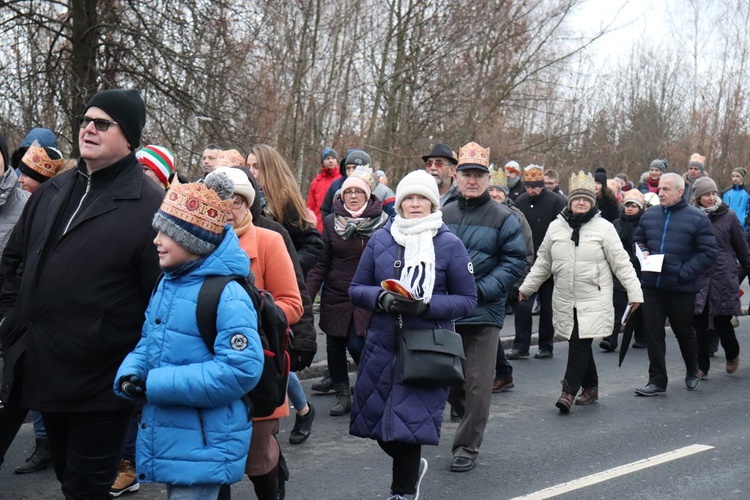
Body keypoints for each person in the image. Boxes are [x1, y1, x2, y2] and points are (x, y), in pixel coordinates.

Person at [0, 89, 165, 498]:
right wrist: (11, 322)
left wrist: (131, 364)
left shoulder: (149, 205)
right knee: (65, 478)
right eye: (85, 119)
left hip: (100, 382)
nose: (88, 128)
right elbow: (12, 265)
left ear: (129, 137)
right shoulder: (53, 191)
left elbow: (160, 299)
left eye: (102, 123)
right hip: (38, 366)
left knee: (85, 487)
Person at [114, 173, 264, 500]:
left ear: (193, 240)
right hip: (175, 432)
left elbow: (241, 370)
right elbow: (149, 340)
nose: (156, 240)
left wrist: (156, 383)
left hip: (206, 440)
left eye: (166, 233)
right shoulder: (168, 283)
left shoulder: (226, 295)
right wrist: (132, 371)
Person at [349, 169, 477, 499]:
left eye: (422, 198)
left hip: (426, 347)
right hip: (381, 345)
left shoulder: (449, 243)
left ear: (432, 203)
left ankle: (402, 492)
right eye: (409, 198)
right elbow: (356, 288)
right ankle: (412, 469)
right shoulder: (381, 238)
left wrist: (426, 306)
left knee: (408, 426)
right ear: (400, 203)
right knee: (377, 426)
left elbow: (467, 299)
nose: (415, 204)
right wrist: (380, 298)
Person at [206, 166, 303, 499]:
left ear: (248, 204)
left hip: (260, 366)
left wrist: (253, 317)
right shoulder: (198, 244)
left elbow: (293, 303)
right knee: (214, 464)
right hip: (211, 367)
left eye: (236, 202)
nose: (228, 210)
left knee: (258, 460)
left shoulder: (269, 239)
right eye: (220, 202)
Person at [518, 172, 643, 413]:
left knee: (579, 342)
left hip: (594, 297)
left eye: (586, 199)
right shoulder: (556, 228)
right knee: (580, 341)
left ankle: (568, 391)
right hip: (565, 297)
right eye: (577, 199)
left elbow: (622, 263)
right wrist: (527, 288)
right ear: (570, 202)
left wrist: (634, 293)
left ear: (592, 202)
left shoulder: (604, 229)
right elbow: (543, 263)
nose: (581, 203)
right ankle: (592, 387)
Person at [443, 142, 526, 473]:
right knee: (449, 379)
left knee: (479, 383)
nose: (472, 181)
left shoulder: (503, 217)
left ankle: (466, 445)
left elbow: (515, 261)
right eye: (466, 175)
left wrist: (481, 291)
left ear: (488, 178)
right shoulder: (443, 214)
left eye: (478, 175)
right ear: (456, 176)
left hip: (483, 312)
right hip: (446, 312)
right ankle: (469, 417)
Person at [307, 166, 389, 416]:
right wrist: (306, 296)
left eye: (358, 192)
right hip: (336, 294)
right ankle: (343, 396)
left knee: (357, 344)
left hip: (366, 294)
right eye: (348, 192)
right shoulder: (332, 223)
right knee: (334, 346)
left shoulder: (382, 222)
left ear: (368, 195)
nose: (353, 196)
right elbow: (322, 262)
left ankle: (372, 388)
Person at [0, 140, 58, 475]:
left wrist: (10, 316)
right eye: (22, 172)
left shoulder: (35, 208)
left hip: (24, 318)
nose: (23, 179)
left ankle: (46, 443)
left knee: (22, 388)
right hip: (15, 312)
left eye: (30, 175)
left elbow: (21, 264)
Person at [633, 172, 717, 396]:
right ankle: (657, 381)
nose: (660, 193)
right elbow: (638, 239)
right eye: (659, 189)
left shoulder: (697, 218)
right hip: (651, 286)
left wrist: (684, 272)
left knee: (684, 332)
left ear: (680, 192)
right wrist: (642, 251)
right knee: (653, 334)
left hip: (681, 288)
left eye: (666, 189)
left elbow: (709, 253)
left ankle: (692, 370)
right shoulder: (649, 215)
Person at [691, 177, 750, 378]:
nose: (711, 197)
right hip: (699, 275)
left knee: (722, 321)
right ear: (698, 198)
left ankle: (732, 353)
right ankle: (702, 367)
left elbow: (742, 250)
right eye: (706, 194)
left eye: (714, 193)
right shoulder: (691, 217)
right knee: (699, 322)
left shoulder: (729, 216)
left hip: (723, 275)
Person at [507, 164, 566, 360]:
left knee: (547, 306)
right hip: (528, 260)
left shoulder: (556, 201)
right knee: (523, 304)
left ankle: (546, 345)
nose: (530, 190)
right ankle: (521, 345)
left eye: (535, 186)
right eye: (528, 186)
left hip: (548, 260)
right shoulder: (521, 200)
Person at [487, 165, 534, 393]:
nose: (495, 195)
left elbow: (526, 252)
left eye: (499, 191)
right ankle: (500, 372)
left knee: (490, 328)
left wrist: (516, 284)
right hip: (480, 279)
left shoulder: (516, 218)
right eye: (491, 190)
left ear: (505, 194)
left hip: (504, 282)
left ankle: (502, 373)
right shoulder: (480, 213)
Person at [246, 144, 323, 278]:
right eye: (248, 166)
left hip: (277, 283)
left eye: (256, 167)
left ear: (269, 169)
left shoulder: (284, 202)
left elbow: (313, 244)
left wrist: (287, 268)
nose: (251, 171)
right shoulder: (243, 202)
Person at [599, 189, 648, 352]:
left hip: (640, 269)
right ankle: (610, 337)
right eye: (628, 205)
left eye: (634, 206)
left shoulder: (645, 225)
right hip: (619, 269)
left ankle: (641, 336)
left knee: (639, 305)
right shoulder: (615, 224)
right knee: (617, 304)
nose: (630, 209)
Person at [306, 147, 341, 232]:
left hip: (338, 224)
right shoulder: (316, 182)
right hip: (319, 225)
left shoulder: (342, 179)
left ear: (337, 161)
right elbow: (310, 206)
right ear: (323, 162)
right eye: (327, 158)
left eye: (333, 158)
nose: (331, 161)